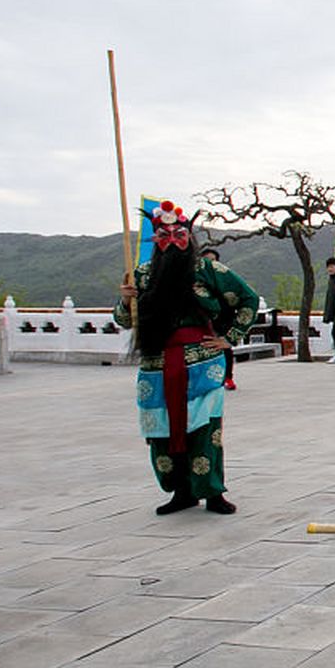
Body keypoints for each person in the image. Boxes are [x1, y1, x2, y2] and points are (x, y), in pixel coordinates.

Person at [113, 201, 258, 515]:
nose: (172, 239)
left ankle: (213, 492)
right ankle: (181, 491)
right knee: (159, 430)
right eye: (164, 234)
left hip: (202, 363)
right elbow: (125, 320)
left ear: (188, 237)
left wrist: (229, 338)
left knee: (205, 429)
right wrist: (126, 302)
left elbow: (249, 297)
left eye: (178, 233)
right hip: (156, 363)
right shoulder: (142, 274)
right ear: (156, 239)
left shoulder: (207, 270)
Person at [199, 247, 239, 390]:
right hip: (202, 321)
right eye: (207, 260)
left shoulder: (225, 279)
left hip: (223, 319)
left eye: (213, 260)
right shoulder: (195, 280)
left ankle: (227, 377)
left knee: (225, 348)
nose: (210, 263)